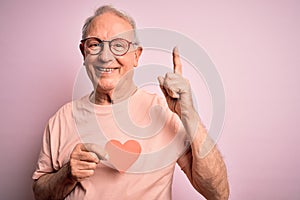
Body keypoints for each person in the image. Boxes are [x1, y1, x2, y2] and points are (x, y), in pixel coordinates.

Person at [32, 5, 229, 200]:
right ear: (84, 53)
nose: (105, 56)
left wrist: (189, 114)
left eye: (119, 45)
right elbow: (40, 194)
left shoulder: (165, 113)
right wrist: (67, 174)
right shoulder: (61, 119)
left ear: (136, 55)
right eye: (95, 44)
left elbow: (218, 194)